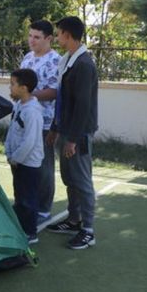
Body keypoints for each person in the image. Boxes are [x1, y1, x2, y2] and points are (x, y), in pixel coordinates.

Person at [46, 16, 99, 250]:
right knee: (70, 179)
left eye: (58, 33)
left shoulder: (84, 64)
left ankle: (88, 230)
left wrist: (74, 139)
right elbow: (63, 100)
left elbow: (82, 106)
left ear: (68, 34)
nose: (57, 37)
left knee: (82, 181)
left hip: (78, 134)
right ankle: (74, 219)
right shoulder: (68, 60)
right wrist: (56, 128)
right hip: (66, 130)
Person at [19, 20, 61, 229]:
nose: (31, 40)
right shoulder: (27, 58)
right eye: (30, 36)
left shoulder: (55, 61)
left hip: (44, 123)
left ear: (49, 39)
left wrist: (28, 94)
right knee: (25, 165)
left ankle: (43, 209)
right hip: (24, 122)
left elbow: (54, 92)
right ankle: (26, 204)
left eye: (36, 37)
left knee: (44, 167)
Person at [5, 68, 44, 244]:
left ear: (24, 88)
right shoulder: (20, 105)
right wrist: (8, 151)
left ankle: (30, 233)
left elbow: (30, 141)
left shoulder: (33, 111)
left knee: (28, 199)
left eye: (13, 84)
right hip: (17, 162)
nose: (10, 87)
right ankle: (20, 227)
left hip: (28, 164)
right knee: (20, 196)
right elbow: (12, 131)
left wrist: (16, 158)